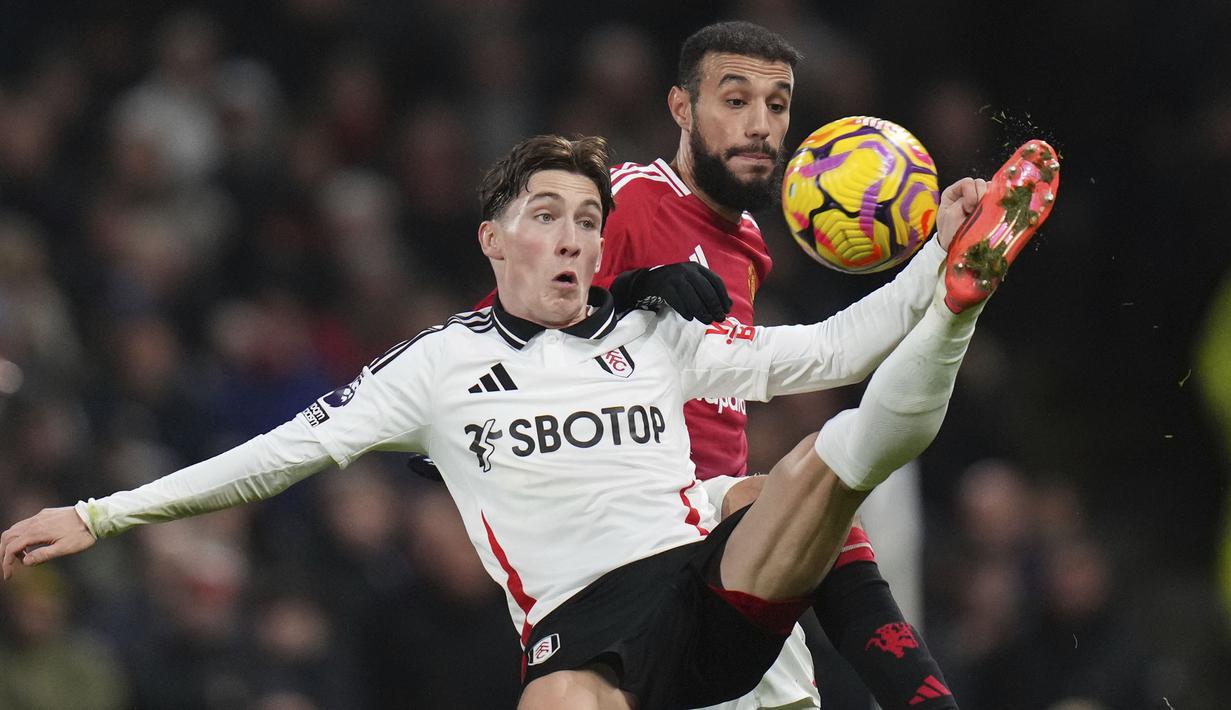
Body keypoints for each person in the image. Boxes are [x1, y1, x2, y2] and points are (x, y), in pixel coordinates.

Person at [2, 132, 1059, 709]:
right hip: (586, 629)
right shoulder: (437, 366)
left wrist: (933, 260)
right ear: (491, 240)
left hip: (705, 592)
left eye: (588, 219)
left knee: (822, 461)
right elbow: (279, 456)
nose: (572, 238)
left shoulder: (652, 334)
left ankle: (962, 305)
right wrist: (102, 513)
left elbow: (831, 351)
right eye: (545, 217)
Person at [604, 21, 953, 710]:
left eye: (777, 104)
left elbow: (825, 351)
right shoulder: (623, 198)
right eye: (735, 101)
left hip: (726, 538)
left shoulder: (747, 244)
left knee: (803, 502)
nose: (760, 125)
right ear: (681, 109)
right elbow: (510, 328)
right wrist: (620, 293)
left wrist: (943, 252)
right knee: (810, 490)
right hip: (634, 541)